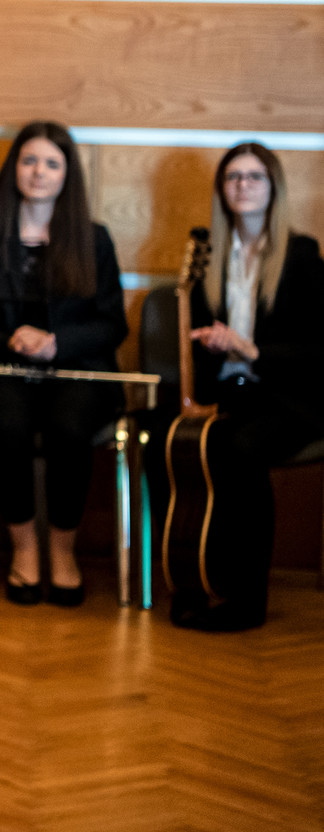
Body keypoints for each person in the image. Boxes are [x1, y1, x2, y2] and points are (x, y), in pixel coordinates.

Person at [0, 122, 127, 606]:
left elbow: (112, 323)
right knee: (6, 423)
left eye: (51, 163)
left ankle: (63, 551)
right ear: (14, 168)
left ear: (67, 174)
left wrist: (57, 342)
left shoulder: (94, 239)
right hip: (1, 368)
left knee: (68, 427)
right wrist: (11, 339)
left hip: (77, 369)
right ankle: (25, 549)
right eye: (29, 160)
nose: (39, 172)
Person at [154, 142, 324, 631]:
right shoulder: (209, 255)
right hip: (233, 394)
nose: (243, 185)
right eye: (233, 177)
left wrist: (250, 349)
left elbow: (318, 351)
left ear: (273, 188)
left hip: (289, 398)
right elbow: (204, 359)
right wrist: (208, 344)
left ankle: (247, 600)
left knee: (241, 450)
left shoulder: (301, 255)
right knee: (168, 442)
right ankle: (193, 579)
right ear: (221, 190)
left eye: (254, 177)